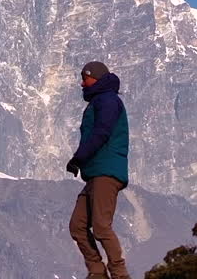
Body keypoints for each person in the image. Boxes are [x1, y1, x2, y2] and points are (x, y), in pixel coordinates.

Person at [66, 60, 131, 279]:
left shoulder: (108, 101)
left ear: (96, 78)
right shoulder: (98, 102)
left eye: (85, 78)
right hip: (94, 173)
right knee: (78, 225)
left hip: (106, 171)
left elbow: (102, 132)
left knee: (101, 227)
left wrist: (79, 158)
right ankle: (97, 272)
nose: (82, 84)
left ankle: (120, 274)